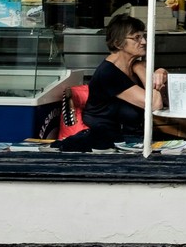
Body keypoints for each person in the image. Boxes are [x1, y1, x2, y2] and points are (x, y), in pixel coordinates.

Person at [58, 15, 168, 152]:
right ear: (118, 43)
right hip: (107, 142)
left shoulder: (132, 67)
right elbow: (154, 104)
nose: (144, 42)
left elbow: (165, 99)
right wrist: (141, 69)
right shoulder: (109, 73)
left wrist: (161, 72)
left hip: (132, 138)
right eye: (137, 38)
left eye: (143, 36)